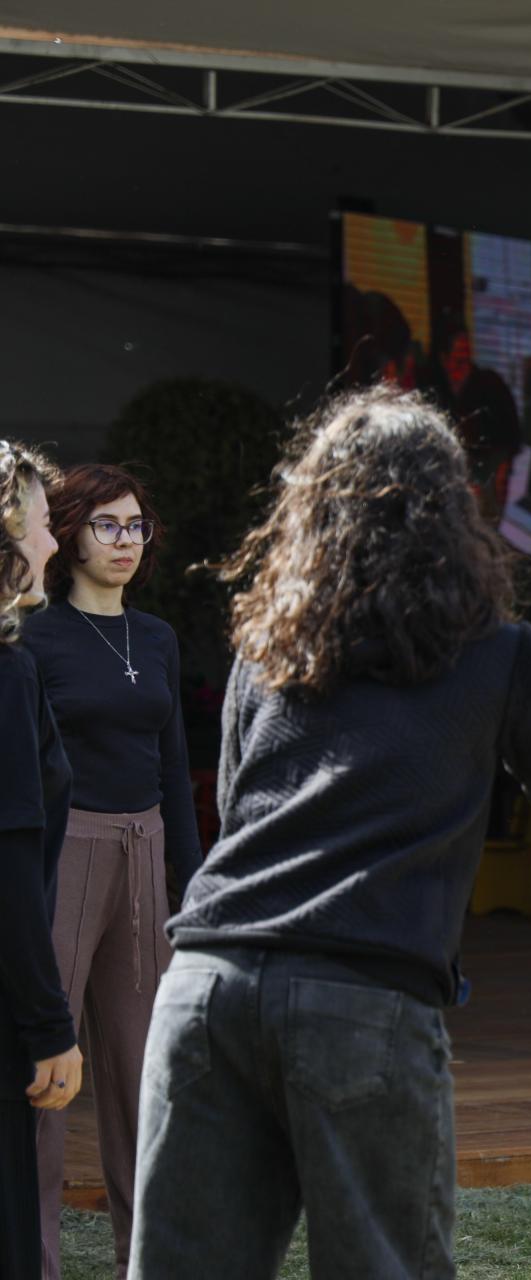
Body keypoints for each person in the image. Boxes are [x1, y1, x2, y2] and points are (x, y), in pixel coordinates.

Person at [127, 388, 531, 1280]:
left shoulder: (266, 647)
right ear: (451, 510)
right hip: (362, 997)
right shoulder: (498, 652)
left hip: (206, 990)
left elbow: (237, 809)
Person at [24, 465, 201, 1280]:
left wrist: (191, 886)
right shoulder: (35, 635)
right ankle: (35, 1258)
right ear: (66, 533)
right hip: (66, 853)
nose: (126, 541)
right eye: (108, 526)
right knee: (46, 1075)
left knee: (142, 1072)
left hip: (146, 852)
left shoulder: (158, 637)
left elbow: (174, 768)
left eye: (137, 526)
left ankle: (148, 1260)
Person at [2, 441, 84, 1280]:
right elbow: (12, 864)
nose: (54, 545)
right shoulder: (8, 673)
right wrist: (49, 1026)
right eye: (37, 524)